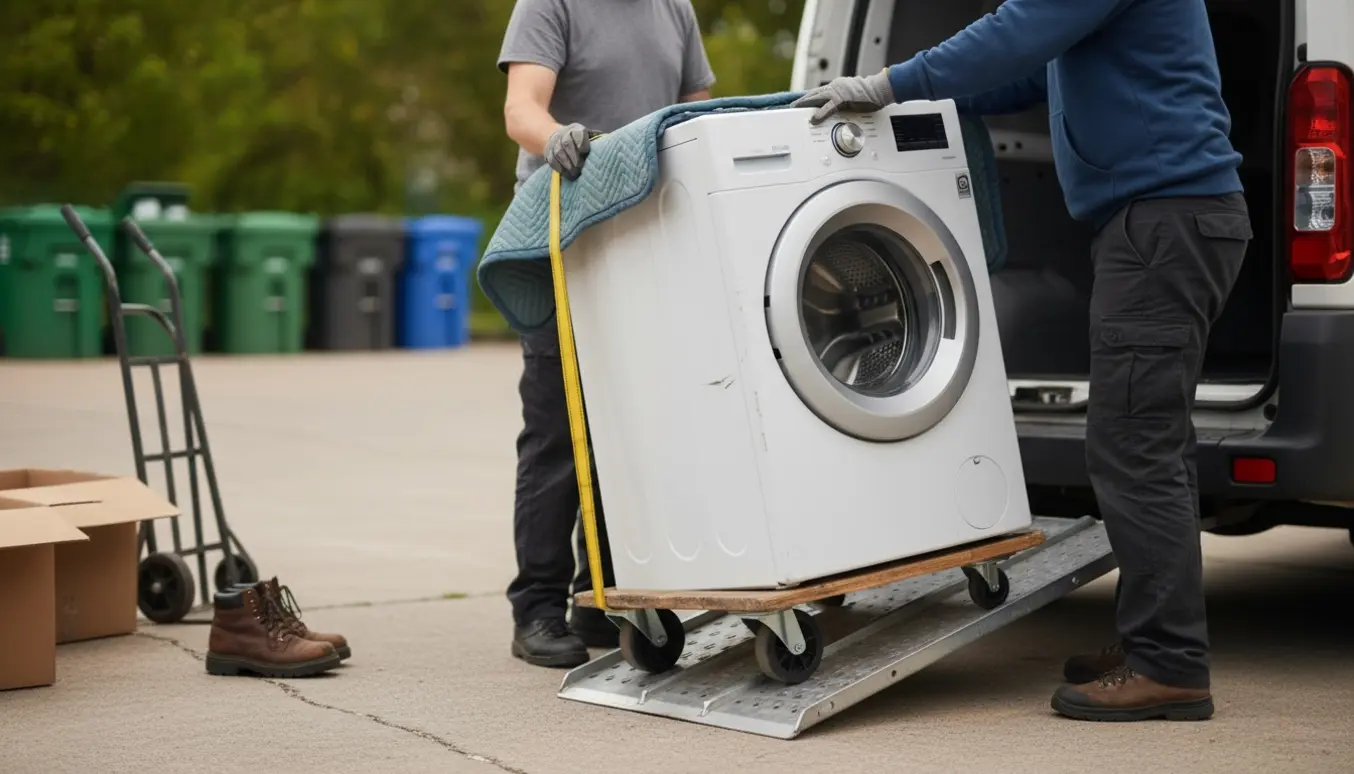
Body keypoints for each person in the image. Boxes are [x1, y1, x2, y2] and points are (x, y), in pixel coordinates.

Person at [793, 0, 1249, 722]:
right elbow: (1025, 71)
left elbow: (1015, 32)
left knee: (1134, 445)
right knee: (1146, 441)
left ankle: (1170, 665)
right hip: (1169, 220)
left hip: (1165, 221)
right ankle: (1155, 645)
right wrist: (906, 95)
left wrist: (890, 81)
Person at [497, 0, 715, 669]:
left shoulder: (673, 7)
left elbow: (696, 108)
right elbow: (521, 108)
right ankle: (535, 606)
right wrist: (557, 136)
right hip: (563, 233)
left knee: (634, 427)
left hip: (641, 236)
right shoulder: (551, 3)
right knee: (559, 430)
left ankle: (603, 595)